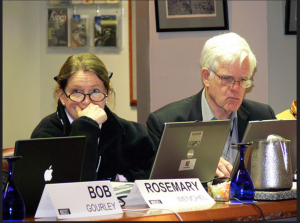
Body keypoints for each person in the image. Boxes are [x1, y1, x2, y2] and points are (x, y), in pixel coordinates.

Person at [146, 32, 276, 178]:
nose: (236, 88)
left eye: (243, 80)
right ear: (206, 77)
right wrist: (200, 164)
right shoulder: (167, 122)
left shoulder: (262, 116)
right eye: (227, 79)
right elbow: (156, 181)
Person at [31, 53, 156, 182]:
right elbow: (75, 183)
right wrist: (86, 126)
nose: (86, 101)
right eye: (76, 92)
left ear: (107, 94)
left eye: (95, 91)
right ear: (62, 95)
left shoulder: (130, 133)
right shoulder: (46, 134)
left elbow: (155, 173)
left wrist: (121, 179)